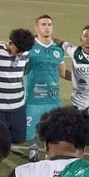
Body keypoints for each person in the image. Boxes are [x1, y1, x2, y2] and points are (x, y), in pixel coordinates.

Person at [24, 15, 66, 161]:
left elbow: (62, 72)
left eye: (49, 24)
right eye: (43, 24)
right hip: (33, 97)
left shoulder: (58, 49)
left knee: (53, 128)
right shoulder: (29, 47)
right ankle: (33, 148)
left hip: (53, 97)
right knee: (31, 131)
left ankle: (50, 152)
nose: (47, 27)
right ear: (36, 28)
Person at [0, 29, 35, 145]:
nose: (21, 53)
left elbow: (25, 70)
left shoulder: (25, 53)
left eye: (23, 51)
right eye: (18, 50)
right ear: (11, 43)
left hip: (18, 105)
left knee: (20, 139)